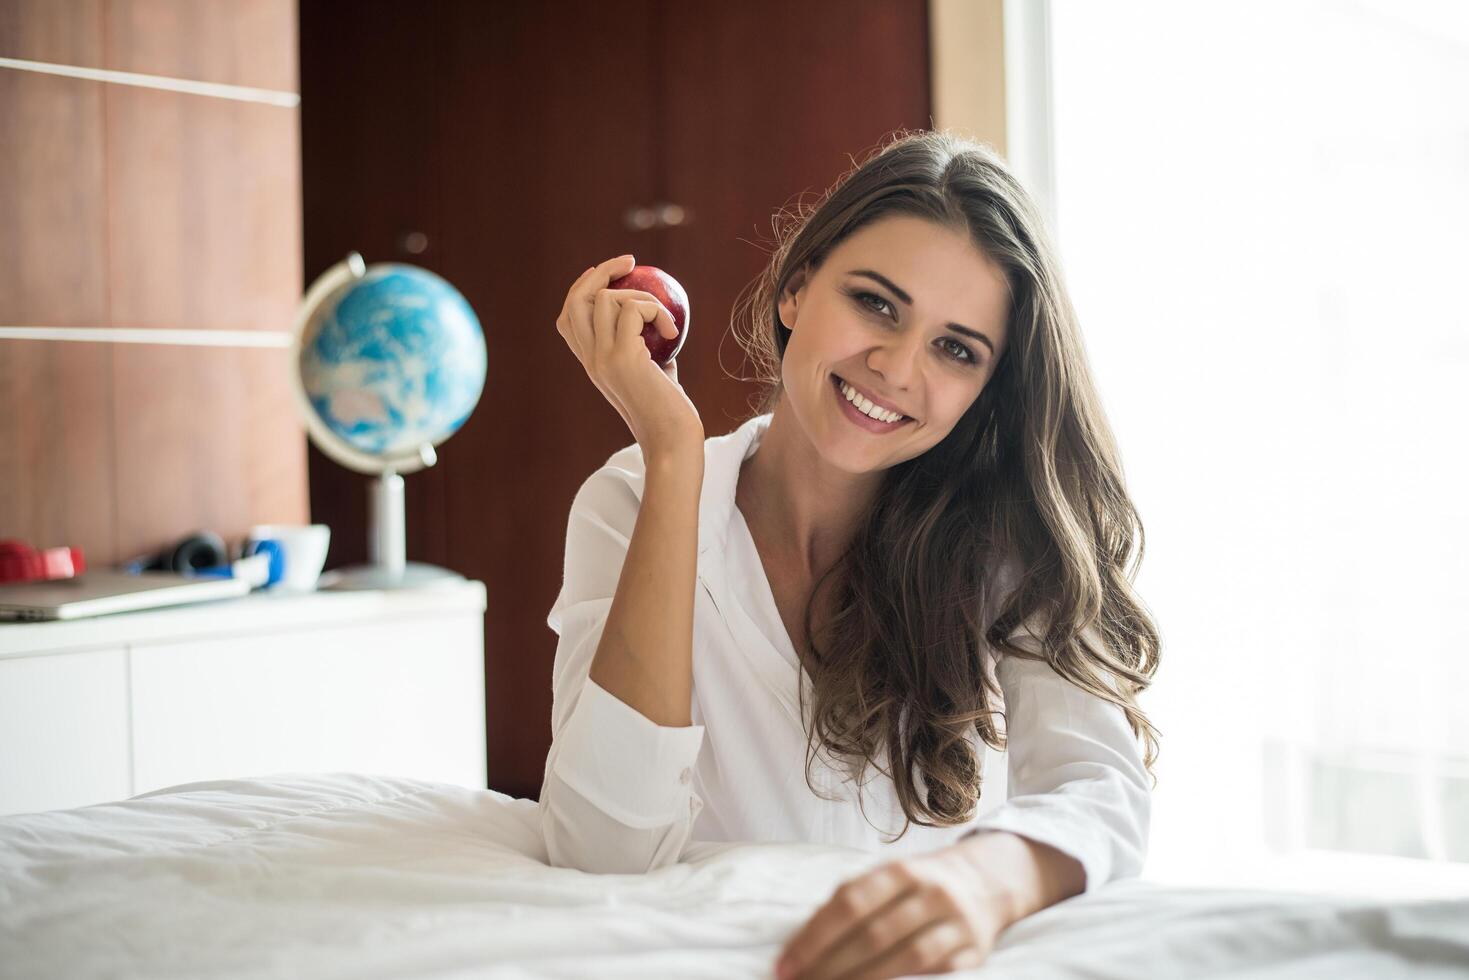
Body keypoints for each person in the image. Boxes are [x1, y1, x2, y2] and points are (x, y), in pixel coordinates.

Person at [541, 128, 1161, 978]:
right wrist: (673, 457)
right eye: (875, 303)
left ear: (985, 387)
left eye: (955, 349)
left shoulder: (1002, 546)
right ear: (796, 288)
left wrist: (981, 882)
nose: (896, 366)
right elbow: (601, 847)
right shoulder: (631, 499)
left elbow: (1100, 788)